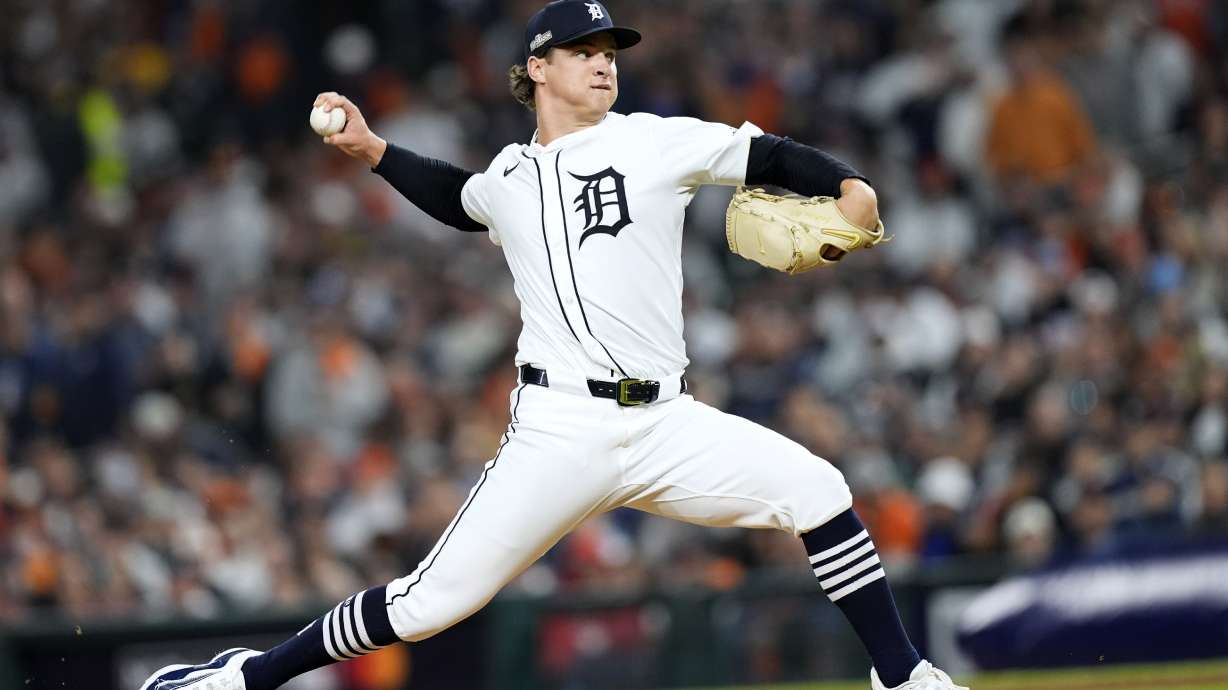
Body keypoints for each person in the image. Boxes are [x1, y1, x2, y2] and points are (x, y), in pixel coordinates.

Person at [141, 2, 967, 689]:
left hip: (667, 424)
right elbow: (460, 200)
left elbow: (765, 153)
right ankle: (241, 678)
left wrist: (849, 185)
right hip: (559, 429)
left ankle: (901, 676)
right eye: (583, 51)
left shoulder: (652, 139)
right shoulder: (507, 175)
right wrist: (373, 152)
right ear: (538, 68)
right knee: (430, 605)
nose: (605, 64)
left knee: (819, 490)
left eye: (610, 51)